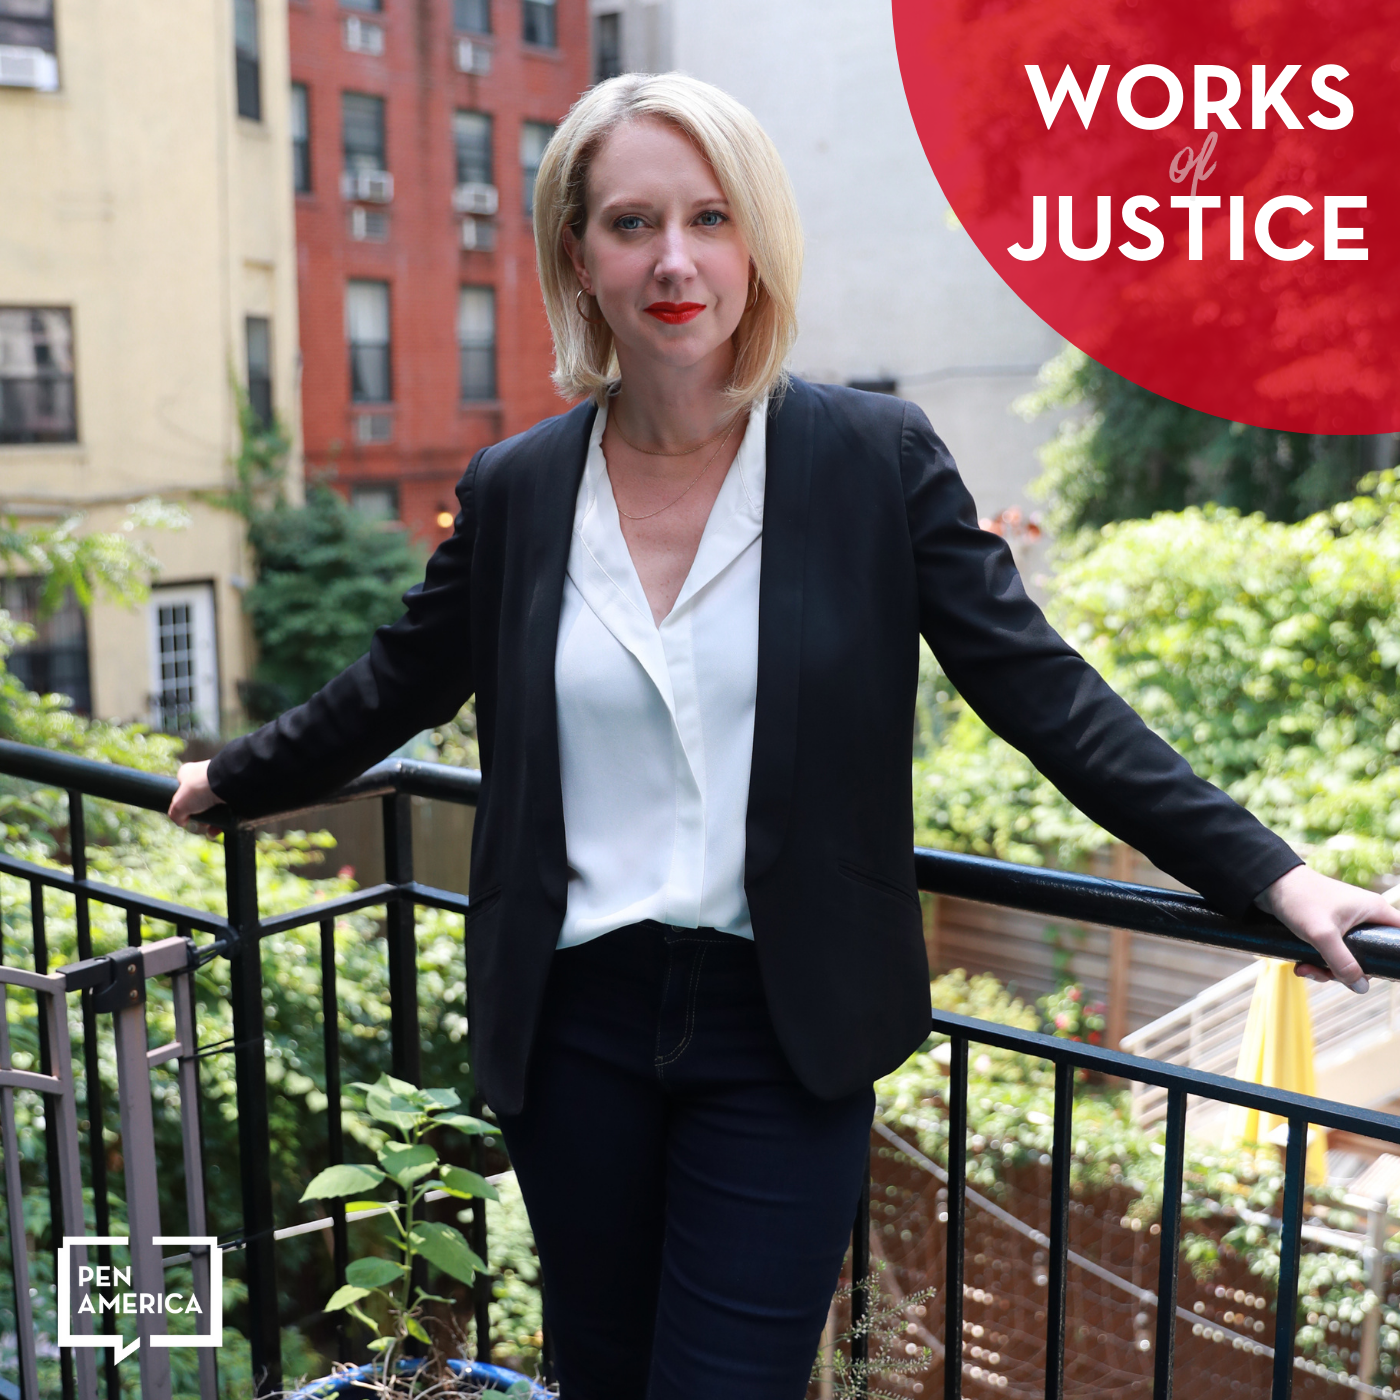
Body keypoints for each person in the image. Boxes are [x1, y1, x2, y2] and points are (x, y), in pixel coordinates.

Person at [168, 73, 1400, 1400]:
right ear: (577, 258)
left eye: (710, 217)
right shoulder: (519, 489)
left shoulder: (870, 462)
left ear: (756, 244)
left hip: (781, 1025)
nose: (676, 259)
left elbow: (1043, 694)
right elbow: (392, 688)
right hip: (574, 1026)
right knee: (603, 1372)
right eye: (632, 223)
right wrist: (231, 779)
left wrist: (1270, 875)